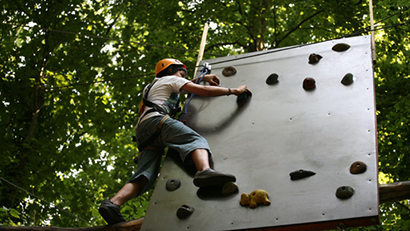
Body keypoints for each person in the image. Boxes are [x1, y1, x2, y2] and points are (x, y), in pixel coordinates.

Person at [98, 58, 250, 225]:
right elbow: (202, 92)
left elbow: (181, 85)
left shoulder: (155, 85)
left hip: (144, 130)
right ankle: (204, 170)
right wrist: (233, 90)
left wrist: (201, 78)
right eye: (181, 73)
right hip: (158, 121)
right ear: (171, 71)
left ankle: (113, 203)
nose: (183, 77)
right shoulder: (171, 80)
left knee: (146, 174)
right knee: (194, 139)